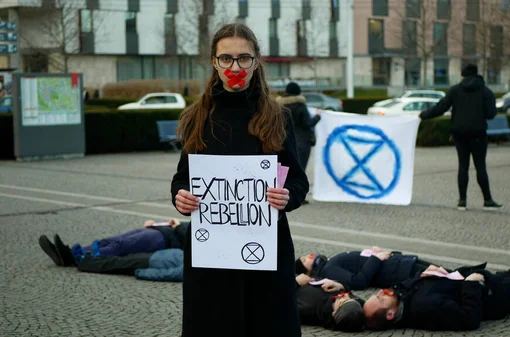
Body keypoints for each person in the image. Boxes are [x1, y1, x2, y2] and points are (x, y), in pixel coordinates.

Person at [170, 23, 309, 337]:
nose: (235, 67)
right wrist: (181, 197)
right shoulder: (197, 118)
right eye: (227, 59)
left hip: (265, 254)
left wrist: (287, 195)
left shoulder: (277, 116)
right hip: (211, 257)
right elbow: (181, 180)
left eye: (244, 58)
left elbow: (298, 181)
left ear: (256, 62)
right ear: (215, 63)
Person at [363, 251, 510, 331]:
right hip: (491, 299)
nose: (382, 292)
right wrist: (471, 284)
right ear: (391, 315)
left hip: (474, 282)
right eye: (379, 298)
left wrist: (428, 273)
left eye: (377, 294)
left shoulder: (399, 297)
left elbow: (408, 285)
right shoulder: (425, 309)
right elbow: (469, 318)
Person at [420, 63, 503, 211]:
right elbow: (491, 114)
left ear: (463, 75)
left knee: (463, 166)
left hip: (459, 134)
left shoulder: (455, 91)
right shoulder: (485, 91)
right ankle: (487, 200)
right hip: (478, 134)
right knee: (480, 167)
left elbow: (441, 108)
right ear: (477, 74)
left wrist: (423, 115)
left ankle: (462, 201)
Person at [295, 246, 510, 290]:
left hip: (402, 264)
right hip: (400, 272)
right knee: (457, 279)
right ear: (307, 272)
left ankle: (503, 276)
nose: (310, 256)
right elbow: (359, 282)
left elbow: (361, 266)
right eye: (305, 259)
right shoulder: (327, 270)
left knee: (454, 272)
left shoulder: (331, 263)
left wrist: (374, 253)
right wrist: (379, 258)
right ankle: (506, 279)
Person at [38, 220, 188, 266]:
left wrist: (177, 226)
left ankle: (79, 258)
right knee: (109, 240)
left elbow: (187, 236)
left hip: (163, 239)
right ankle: (69, 253)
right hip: (159, 229)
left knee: (119, 245)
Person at [295, 274, 365, 332]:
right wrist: (341, 286)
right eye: (350, 298)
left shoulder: (308, 309)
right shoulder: (354, 306)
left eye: (343, 301)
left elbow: (285, 305)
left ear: (334, 313)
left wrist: (295, 283)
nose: (346, 295)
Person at [277, 82, 321, 172]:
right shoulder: (300, 106)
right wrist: (318, 116)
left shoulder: (279, 107)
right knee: (300, 171)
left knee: (286, 172)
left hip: (283, 142)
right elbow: (307, 124)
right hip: (302, 142)